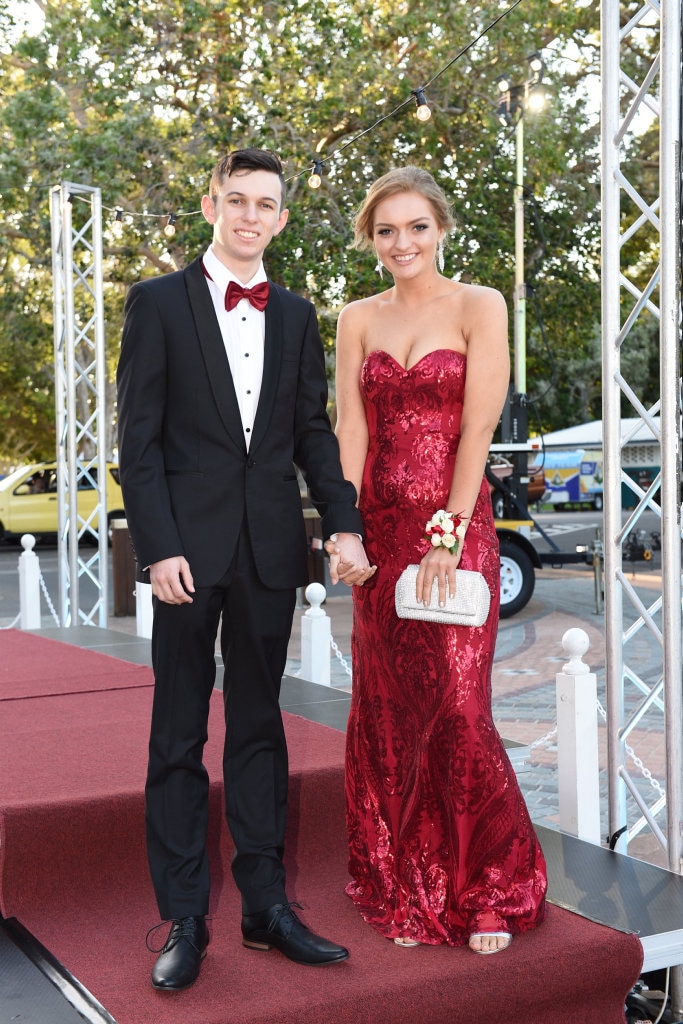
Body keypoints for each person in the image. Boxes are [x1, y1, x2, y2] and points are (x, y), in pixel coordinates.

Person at [116, 147, 375, 991]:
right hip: (185, 556)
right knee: (179, 736)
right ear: (209, 205)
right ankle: (185, 916)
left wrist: (341, 521)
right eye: (236, 201)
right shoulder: (156, 303)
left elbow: (310, 433)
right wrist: (156, 545)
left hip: (269, 549)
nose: (249, 216)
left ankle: (265, 908)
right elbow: (139, 442)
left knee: (260, 731)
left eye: (265, 204)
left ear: (282, 219)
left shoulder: (296, 315)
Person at [331, 166, 547, 955]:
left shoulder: (479, 305)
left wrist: (448, 535)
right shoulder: (356, 316)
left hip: (454, 525)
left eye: (416, 226)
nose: (402, 242)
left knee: (457, 707)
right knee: (390, 712)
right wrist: (342, 528)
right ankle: (409, 879)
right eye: (386, 230)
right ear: (371, 238)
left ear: (441, 229)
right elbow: (349, 431)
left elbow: (477, 431)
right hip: (378, 539)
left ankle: (490, 884)